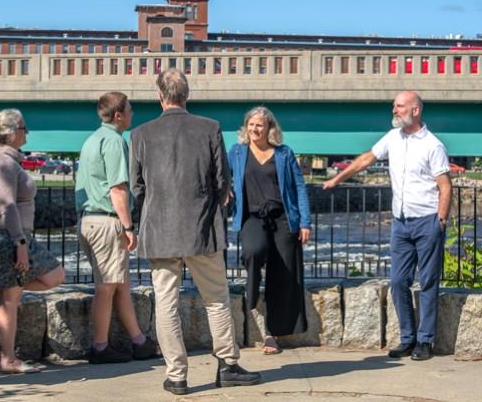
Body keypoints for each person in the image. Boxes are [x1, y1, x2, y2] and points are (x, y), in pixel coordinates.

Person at [130, 69, 260, 395]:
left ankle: (177, 375)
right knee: (216, 300)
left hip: (160, 230)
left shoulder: (140, 135)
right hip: (202, 229)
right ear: (187, 95)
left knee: (166, 303)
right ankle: (228, 365)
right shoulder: (209, 128)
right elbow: (221, 182)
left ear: (160, 97)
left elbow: (137, 187)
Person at [323, 90, 451, 361]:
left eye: (399, 106)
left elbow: (444, 186)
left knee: (428, 282)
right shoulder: (393, 138)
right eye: (394, 106)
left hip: (427, 221)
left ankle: (425, 341)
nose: (394, 110)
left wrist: (441, 220)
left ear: (415, 110)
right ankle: (407, 338)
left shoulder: (433, 145)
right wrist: (338, 179)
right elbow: (367, 159)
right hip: (401, 223)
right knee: (398, 282)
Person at [0, 109, 66, 373]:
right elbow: (8, 205)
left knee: (21, 289)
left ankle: (6, 287)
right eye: (24, 128)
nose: (27, 133)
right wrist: (20, 245)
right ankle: (8, 359)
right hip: (8, 236)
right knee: (20, 295)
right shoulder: (3, 162)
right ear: (12, 133)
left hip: (4, 235)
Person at [75, 92, 157, 364]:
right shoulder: (114, 142)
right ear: (119, 114)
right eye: (130, 109)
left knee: (120, 284)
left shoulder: (90, 140)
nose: (133, 114)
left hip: (88, 219)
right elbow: (118, 189)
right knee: (107, 287)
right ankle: (99, 347)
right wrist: (128, 226)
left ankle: (139, 341)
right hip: (107, 220)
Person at [227, 106, 310, 355]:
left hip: (284, 218)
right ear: (246, 127)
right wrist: (224, 191)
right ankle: (252, 294)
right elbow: (220, 175)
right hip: (253, 216)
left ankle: (272, 334)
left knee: (281, 275)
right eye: (251, 124)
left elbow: (299, 188)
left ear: (269, 128)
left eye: (259, 125)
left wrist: (305, 222)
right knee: (253, 250)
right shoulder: (238, 152)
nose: (254, 129)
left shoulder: (284, 154)